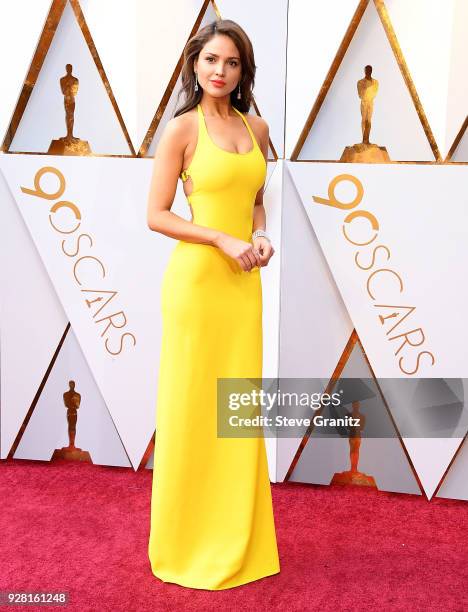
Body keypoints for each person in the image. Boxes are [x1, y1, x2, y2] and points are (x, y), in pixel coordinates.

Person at [146, 18, 280, 590]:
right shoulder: (181, 129)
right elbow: (156, 215)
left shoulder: (257, 127)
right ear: (193, 65)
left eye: (230, 63)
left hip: (242, 287)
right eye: (210, 61)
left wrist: (260, 233)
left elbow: (252, 201)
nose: (219, 72)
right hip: (198, 288)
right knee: (192, 410)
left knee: (235, 411)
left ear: (243, 70)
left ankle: (235, 535)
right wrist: (220, 238)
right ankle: (184, 542)